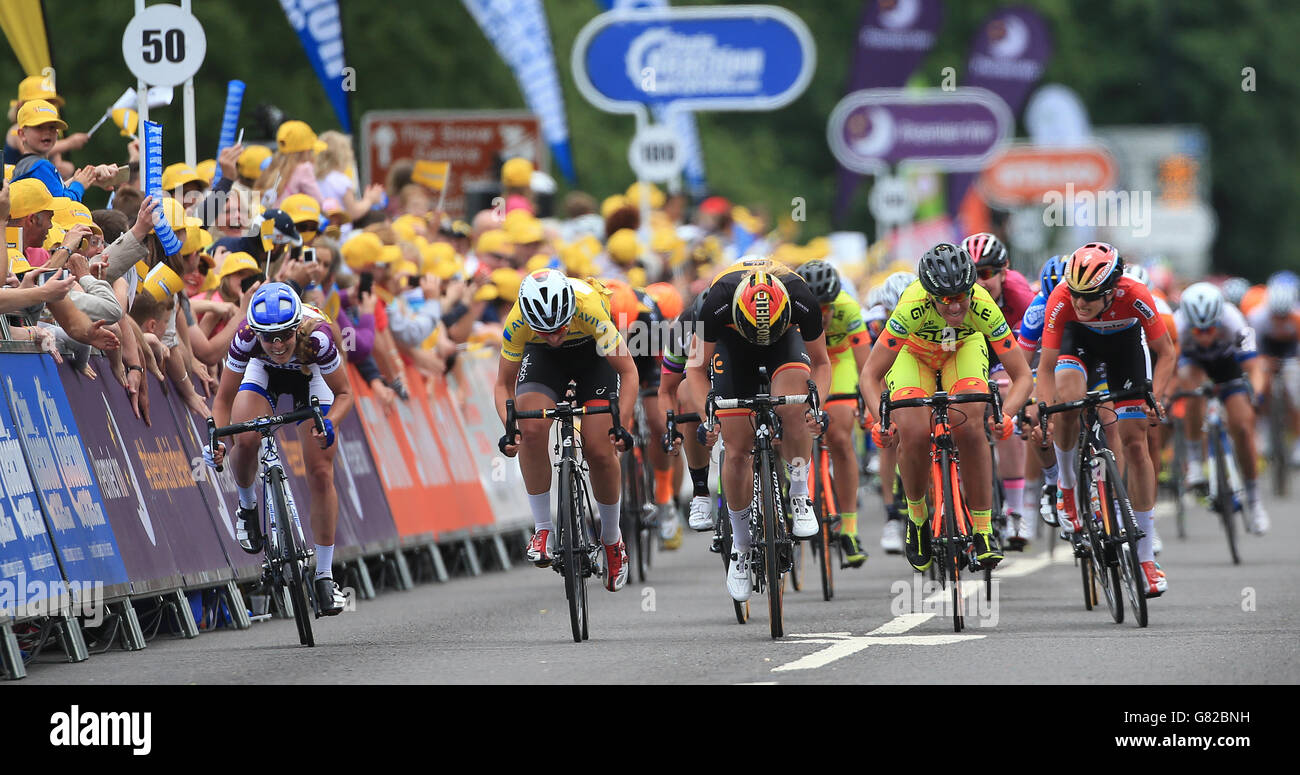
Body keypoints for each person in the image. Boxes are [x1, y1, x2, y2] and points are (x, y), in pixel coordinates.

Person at [862, 244, 1033, 573]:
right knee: (912, 432)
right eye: (945, 298)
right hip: (915, 355)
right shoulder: (910, 306)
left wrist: (1006, 415)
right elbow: (870, 374)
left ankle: (983, 530)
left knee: (971, 425)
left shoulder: (982, 305)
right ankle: (916, 519)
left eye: (961, 296)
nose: (955, 305)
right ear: (928, 294)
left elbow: (1023, 375)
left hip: (962, 350)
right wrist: (879, 420)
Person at [1035, 243, 1176, 597]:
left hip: (1123, 349)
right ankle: (1067, 487)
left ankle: (1145, 559)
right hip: (1076, 344)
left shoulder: (1135, 294)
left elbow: (1166, 353)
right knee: (1066, 403)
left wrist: (1154, 397)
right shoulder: (1065, 299)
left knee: (1135, 442)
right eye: (1077, 295)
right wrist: (1041, 407)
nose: (1081, 303)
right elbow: (1046, 366)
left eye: (1091, 297)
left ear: (1112, 289)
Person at [206, 282, 353, 615]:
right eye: (267, 337)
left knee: (319, 471)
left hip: (310, 375)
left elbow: (344, 394)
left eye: (284, 335)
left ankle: (326, 577)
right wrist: (215, 440)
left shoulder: (319, 337)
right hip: (265, 376)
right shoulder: (245, 336)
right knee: (244, 438)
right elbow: (223, 400)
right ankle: (247, 506)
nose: (276, 344)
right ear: (255, 331)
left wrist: (330, 422)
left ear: (295, 327)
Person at [691, 257, 831, 603]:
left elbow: (823, 363)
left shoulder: (802, 297)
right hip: (732, 346)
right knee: (736, 449)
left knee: (794, 404)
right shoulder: (717, 302)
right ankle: (740, 545)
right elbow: (695, 371)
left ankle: (799, 492)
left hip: (785, 341)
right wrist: (707, 418)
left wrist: (817, 408)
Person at [494, 269, 639, 592]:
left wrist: (621, 424)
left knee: (600, 450)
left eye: (558, 329)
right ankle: (543, 528)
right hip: (543, 361)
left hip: (592, 356)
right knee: (531, 430)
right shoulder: (518, 321)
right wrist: (511, 429)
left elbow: (629, 373)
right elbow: (503, 384)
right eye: (545, 331)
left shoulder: (589, 306)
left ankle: (612, 541)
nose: (555, 337)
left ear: (570, 312)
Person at [962, 232, 1037, 548]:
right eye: (974, 274)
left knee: (1004, 407)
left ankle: (1016, 511)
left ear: (1005, 271)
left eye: (988, 274)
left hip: (1010, 343)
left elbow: (1029, 352)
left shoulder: (1019, 294)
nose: (981, 281)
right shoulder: (959, 293)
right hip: (968, 344)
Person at [1175, 282, 1269, 533]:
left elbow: (1254, 367)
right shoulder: (1177, 325)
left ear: (1219, 319)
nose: (1205, 335)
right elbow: (1169, 366)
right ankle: (1195, 461)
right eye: (1198, 330)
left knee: (1242, 426)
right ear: (1188, 323)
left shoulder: (1234, 321)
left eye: (1210, 329)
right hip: (1193, 365)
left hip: (1228, 365)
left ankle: (1254, 500)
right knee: (1190, 388)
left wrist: (1256, 395)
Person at [797, 259, 871, 566]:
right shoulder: (791, 309)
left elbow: (866, 366)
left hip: (838, 362)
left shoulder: (849, 309)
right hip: (802, 361)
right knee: (792, 426)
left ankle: (849, 528)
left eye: (827, 307)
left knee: (840, 436)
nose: (822, 315)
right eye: (816, 307)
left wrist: (867, 402)